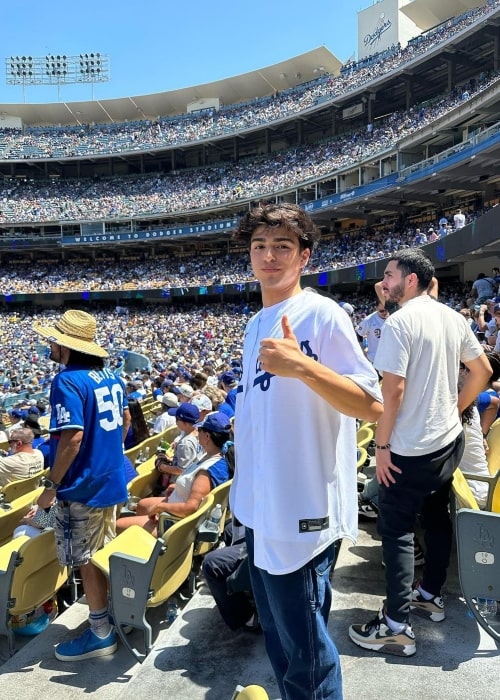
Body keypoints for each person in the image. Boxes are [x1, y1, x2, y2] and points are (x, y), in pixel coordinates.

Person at [231, 202, 383, 700]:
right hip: (258, 509)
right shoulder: (258, 322)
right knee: (279, 639)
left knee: (308, 655)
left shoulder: (321, 313)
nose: (268, 256)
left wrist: (303, 368)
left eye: (282, 246)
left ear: (304, 256)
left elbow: (371, 404)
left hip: (302, 512)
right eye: (259, 246)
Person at [349, 249, 491, 657]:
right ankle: (429, 595)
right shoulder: (453, 316)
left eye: (389, 275)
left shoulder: (400, 322)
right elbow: (482, 371)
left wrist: (381, 446)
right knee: (435, 516)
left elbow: (391, 391)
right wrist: (457, 408)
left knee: (396, 531)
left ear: (409, 280)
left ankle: (395, 627)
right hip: (449, 441)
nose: (384, 283)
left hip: (411, 448)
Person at [33, 309, 131, 662]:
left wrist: (50, 484)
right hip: (111, 478)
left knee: (86, 561)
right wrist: (106, 453)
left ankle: (101, 632)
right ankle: (106, 616)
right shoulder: (111, 375)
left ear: (66, 346)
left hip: (83, 487)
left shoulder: (66, 381)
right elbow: (126, 420)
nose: (50, 345)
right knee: (101, 550)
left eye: (54, 340)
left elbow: (72, 439)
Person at [116, 412, 233, 536]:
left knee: (118, 525)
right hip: (177, 503)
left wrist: (161, 508)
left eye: (200, 430)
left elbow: (190, 508)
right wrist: (177, 486)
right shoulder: (217, 456)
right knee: (142, 505)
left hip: (174, 523)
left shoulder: (206, 472)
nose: (197, 432)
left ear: (207, 436)